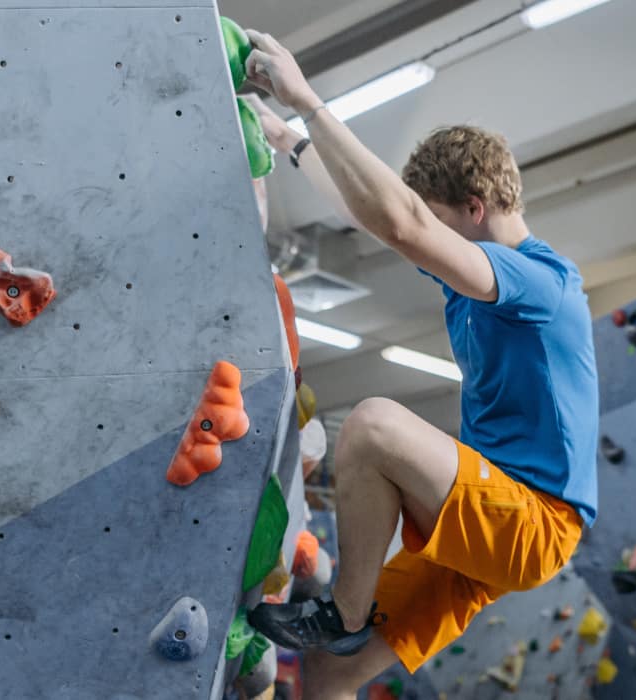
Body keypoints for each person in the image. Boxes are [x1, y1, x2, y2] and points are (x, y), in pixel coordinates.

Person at [239, 29, 599, 700]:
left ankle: (343, 612)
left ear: (475, 208)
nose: (429, 244)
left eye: (442, 225)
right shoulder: (475, 284)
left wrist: (308, 101)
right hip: (483, 517)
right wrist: (287, 139)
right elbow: (373, 213)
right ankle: (341, 632)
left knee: (372, 426)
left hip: (531, 522)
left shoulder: (537, 284)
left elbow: (403, 222)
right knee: (329, 675)